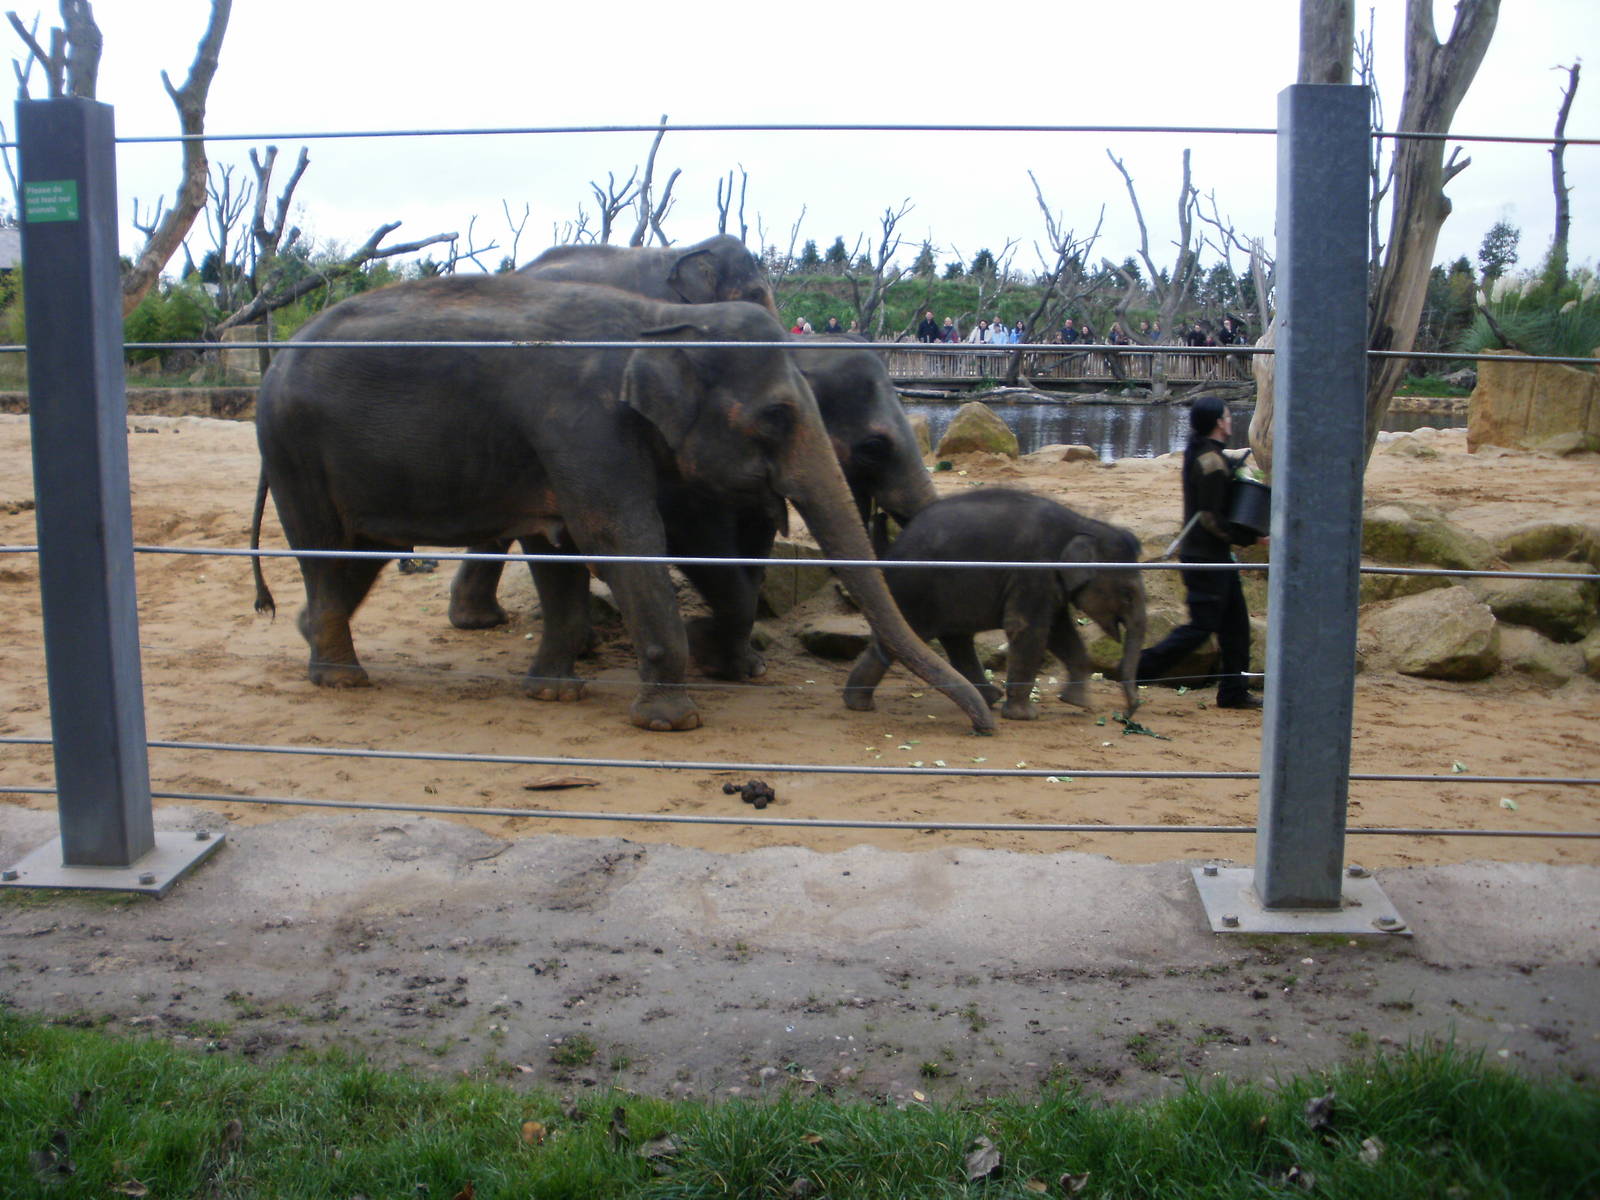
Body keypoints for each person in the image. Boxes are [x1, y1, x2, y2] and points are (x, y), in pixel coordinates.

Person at [1135, 396, 1262, 709]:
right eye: (1229, 416)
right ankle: (1137, 668)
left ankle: (1233, 692)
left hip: (1216, 557)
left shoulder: (1208, 453)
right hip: (1206, 558)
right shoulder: (1209, 461)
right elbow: (1209, 517)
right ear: (1219, 422)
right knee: (1200, 628)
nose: (1231, 421)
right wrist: (1248, 538)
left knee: (1236, 627)